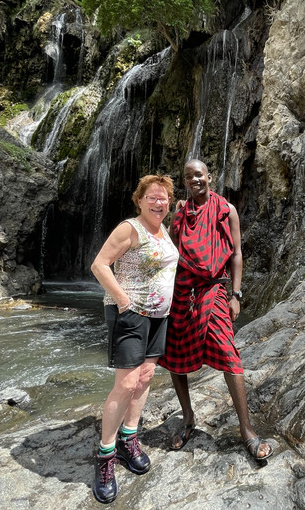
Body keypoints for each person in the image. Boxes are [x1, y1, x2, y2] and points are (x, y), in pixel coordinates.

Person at [158, 159, 273, 461]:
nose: (194, 180)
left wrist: (235, 294)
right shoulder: (180, 213)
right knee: (173, 356)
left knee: (228, 354)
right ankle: (187, 418)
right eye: (188, 177)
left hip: (213, 289)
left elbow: (236, 254)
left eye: (199, 175)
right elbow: (170, 254)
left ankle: (246, 429)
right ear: (184, 181)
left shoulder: (226, 210)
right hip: (181, 292)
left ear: (209, 177)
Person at [89, 174, 179, 504]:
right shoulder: (130, 228)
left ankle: (129, 439)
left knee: (144, 379)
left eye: (165, 198)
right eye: (152, 197)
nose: (159, 202)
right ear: (139, 200)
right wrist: (124, 302)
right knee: (125, 385)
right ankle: (105, 458)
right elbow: (99, 265)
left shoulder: (163, 229)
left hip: (159, 318)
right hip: (130, 314)